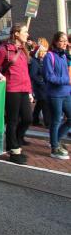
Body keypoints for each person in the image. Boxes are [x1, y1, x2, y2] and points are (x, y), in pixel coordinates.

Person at [0, 23, 33, 165]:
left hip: (24, 89)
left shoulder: (24, 49)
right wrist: (0, 75)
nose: (27, 34)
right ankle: (14, 149)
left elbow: (25, 73)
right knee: (13, 120)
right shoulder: (4, 50)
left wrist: (30, 91)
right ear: (16, 34)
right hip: (11, 89)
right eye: (25, 32)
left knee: (28, 118)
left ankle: (16, 140)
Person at [43, 32, 70, 160]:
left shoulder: (64, 56)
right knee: (56, 120)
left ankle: (55, 140)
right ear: (55, 42)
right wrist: (67, 80)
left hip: (66, 93)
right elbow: (49, 77)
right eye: (62, 41)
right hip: (55, 94)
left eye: (66, 41)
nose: (65, 43)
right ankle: (54, 148)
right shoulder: (49, 56)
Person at [29, 40, 51, 127]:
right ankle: (48, 123)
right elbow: (33, 75)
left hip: (42, 86)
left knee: (40, 104)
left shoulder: (42, 61)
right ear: (40, 52)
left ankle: (34, 119)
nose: (46, 53)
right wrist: (41, 82)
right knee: (44, 103)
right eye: (44, 51)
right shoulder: (35, 62)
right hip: (39, 87)